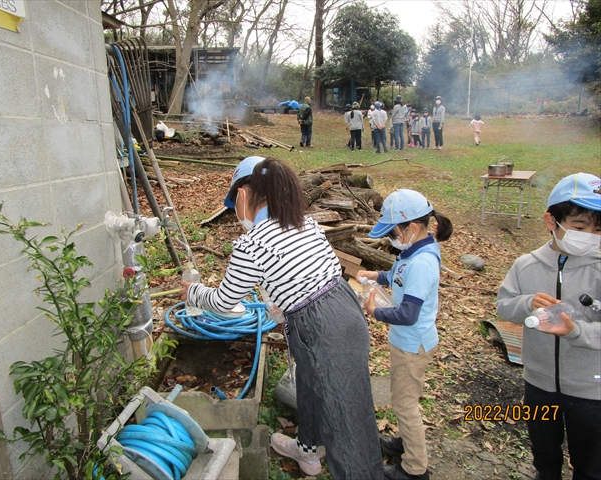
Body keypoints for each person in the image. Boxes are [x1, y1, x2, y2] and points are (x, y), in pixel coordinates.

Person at [181, 157, 384, 480]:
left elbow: (223, 301)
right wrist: (280, 302)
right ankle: (307, 450)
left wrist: (192, 292)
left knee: (345, 421)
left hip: (320, 325)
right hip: (341, 307)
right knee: (312, 387)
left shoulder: (252, 243)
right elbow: (306, 274)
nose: (236, 212)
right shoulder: (302, 221)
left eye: (235, 203)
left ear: (244, 196)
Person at [496, 172, 601, 480]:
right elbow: (503, 306)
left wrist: (576, 332)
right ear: (551, 221)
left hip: (591, 390)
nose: (591, 236)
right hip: (539, 384)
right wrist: (527, 303)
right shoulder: (526, 265)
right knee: (545, 456)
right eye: (580, 227)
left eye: (598, 229)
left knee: (591, 465)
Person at [357, 189, 453, 480]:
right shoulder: (413, 249)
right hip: (406, 342)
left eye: (393, 232)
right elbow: (400, 274)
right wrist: (378, 277)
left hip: (412, 344)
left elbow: (408, 315)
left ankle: (414, 469)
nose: (391, 238)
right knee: (403, 397)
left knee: (405, 404)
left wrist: (375, 311)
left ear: (411, 228)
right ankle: (404, 443)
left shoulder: (423, 263)